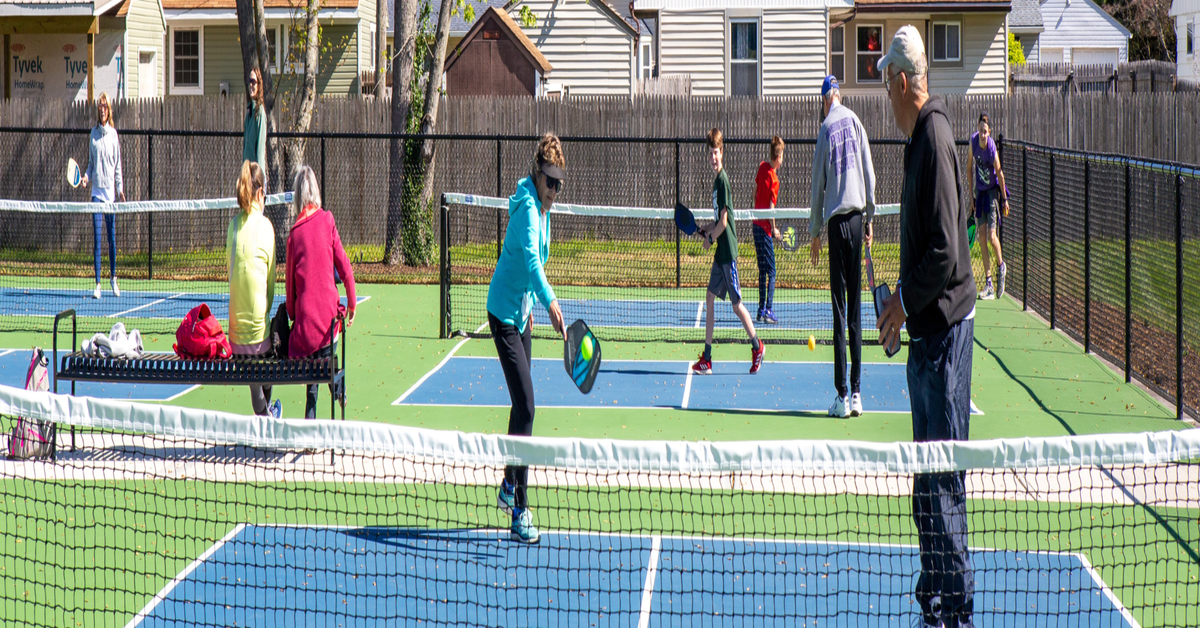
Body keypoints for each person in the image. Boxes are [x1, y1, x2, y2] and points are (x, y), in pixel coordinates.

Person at [876, 25, 977, 628]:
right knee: (926, 481)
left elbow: (945, 252)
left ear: (904, 82)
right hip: (926, 332)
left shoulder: (933, 135)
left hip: (943, 334)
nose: (884, 91)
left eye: (888, 80)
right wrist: (901, 305)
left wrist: (898, 308)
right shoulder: (919, 139)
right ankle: (935, 594)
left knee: (941, 481)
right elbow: (927, 250)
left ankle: (955, 611)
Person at [489, 133, 568, 545]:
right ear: (537, 174)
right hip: (501, 314)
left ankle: (506, 484)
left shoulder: (544, 207)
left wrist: (532, 305)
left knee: (522, 407)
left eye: (559, 182)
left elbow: (533, 261)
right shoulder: (526, 209)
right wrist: (550, 300)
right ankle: (520, 508)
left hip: (520, 314)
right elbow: (533, 262)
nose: (554, 189)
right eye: (549, 181)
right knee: (528, 405)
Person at [808, 75, 877, 419]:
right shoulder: (856, 121)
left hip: (837, 225)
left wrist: (814, 232)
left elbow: (817, 185)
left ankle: (842, 395)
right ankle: (859, 392)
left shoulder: (826, 128)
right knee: (855, 312)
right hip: (855, 220)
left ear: (825, 100)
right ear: (840, 95)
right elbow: (869, 173)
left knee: (838, 310)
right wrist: (869, 218)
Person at [692, 128, 765, 376]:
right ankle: (708, 358)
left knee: (736, 305)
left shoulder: (722, 180)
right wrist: (705, 229)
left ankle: (757, 347)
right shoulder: (716, 182)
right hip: (719, 253)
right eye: (710, 153)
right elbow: (716, 221)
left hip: (727, 253)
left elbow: (724, 223)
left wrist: (710, 238)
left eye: (716, 152)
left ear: (722, 152)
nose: (713, 157)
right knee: (710, 297)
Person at [285, 165, 356, 420]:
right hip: (328, 323)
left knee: (312, 380)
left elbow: (290, 290)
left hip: (305, 329)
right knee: (327, 362)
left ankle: (310, 425)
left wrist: (295, 317)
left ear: (296, 196)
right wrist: (352, 304)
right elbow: (345, 268)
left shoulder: (294, 235)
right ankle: (339, 389)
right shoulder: (328, 220)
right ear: (316, 191)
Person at [228, 160, 281, 419]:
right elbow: (269, 290)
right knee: (267, 361)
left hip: (235, 341)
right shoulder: (267, 227)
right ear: (260, 193)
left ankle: (264, 410)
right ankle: (265, 415)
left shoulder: (233, 227)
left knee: (254, 372)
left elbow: (232, 276)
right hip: (258, 340)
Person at [80, 92, 125, 300]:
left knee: (111, 239)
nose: (103, 110)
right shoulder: (93, 134)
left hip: (111, 196)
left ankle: (113, 278)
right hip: (96, 194)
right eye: (100, 106)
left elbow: (117, 166)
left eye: (105, 106)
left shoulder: (114, 135)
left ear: (109, 110)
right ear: (98, 110)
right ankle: (98, 284)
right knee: (97, 239)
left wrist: (120, 188)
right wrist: (86, 178)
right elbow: (90, 163)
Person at [971, 112, 1009, 300]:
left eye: (985, 131)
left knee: (993, 237)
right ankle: (988, 284)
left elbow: (1000, 174)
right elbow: (968, 166)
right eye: (980, 131)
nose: (983, 134)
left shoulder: (992, 148)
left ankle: (1001, 266)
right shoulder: (973, 142)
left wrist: (1004, 199)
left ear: (989, 132)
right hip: (980, 193)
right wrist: (971, 196)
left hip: (993, 193)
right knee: (982, 237)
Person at [752, 137, 784, 325]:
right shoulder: (774, 179)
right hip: (764, 229)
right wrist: (773, 228)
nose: (782, 159)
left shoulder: (762, 166)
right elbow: (771, 207)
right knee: (771, 271)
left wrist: (754, 212)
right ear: (778, 156)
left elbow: (754, 191)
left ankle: (760, 309)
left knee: (762, 270)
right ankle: (768, 309)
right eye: (782, 156)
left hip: (755, 225)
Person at [244, 67, 268, 188]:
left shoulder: (260, 113)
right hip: (247, 177)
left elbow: (259, 151)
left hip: (256, 180)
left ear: (259, 85)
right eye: (249, 81)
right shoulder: (249, 113)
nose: (251, 85)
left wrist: (259, 181)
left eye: (254, 82)